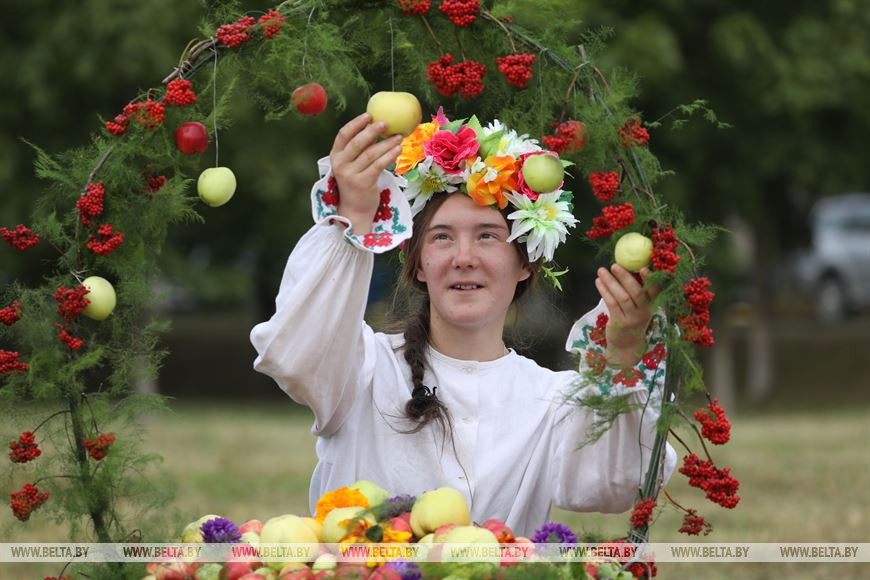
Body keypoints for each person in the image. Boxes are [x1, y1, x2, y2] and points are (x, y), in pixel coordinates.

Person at [250, 112, 676, 538]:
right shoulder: (361, 369)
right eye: (442, 237)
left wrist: (622, 358)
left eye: (488, 235)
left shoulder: (552, 401)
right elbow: (294, 351)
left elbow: (614, 486)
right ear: (419, 265)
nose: (464, 257)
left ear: (525, 264)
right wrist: (353, 218)